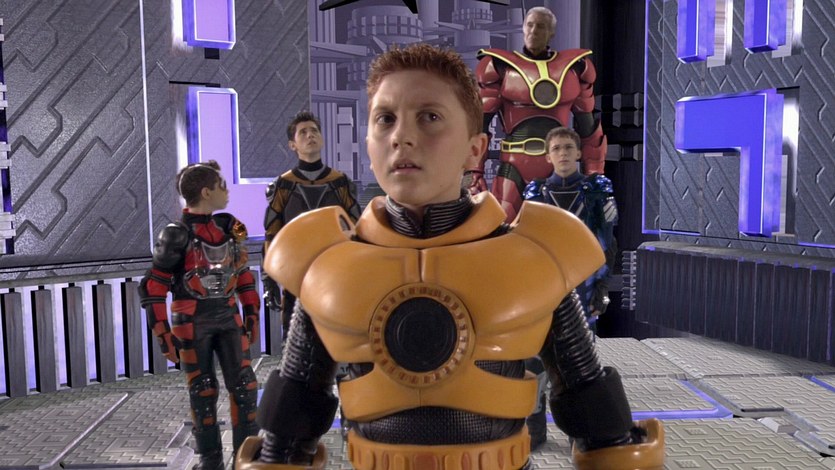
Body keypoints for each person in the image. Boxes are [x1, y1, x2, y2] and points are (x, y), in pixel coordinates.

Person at [238, 43, 662, 470]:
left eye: (429, 117)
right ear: (368, 142)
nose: (401, 137)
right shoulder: (324, 264)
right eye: (385, 119)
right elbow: (287, 433)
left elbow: (596, 415)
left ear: (475, 149)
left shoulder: (537, 256)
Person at [139, 161, 260, 469]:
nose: (227, 191)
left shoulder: (230, 227)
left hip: (227, 316)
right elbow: (154, 287)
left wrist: (251, 312)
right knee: (202, 390)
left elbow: (243, 273)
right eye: (221, 186)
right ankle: (210, 461)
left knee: (245, 387)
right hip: (192, 320)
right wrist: (163, 334)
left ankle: (246, 460)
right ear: (206, 192)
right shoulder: (175, 235)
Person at [466, 6, 607, 223]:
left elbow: (588, 131)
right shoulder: (499, 67)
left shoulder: (575, 68)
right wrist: (473, 173)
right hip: (514, 164)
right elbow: (479, 129)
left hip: (558, 167)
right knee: (504, 227)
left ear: (551, 32)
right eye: (529, 25)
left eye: (540, 26)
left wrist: (595, 176)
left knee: (557, 231)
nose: (533, 31)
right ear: (523, 28)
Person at [262, 111, 361, 344]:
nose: (310, 136)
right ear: (293, 145)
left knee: (337, 340)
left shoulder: (339, 182)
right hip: (295, 273)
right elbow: (272, 232)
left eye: (314, 131)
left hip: (334, 272)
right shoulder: (284, 185)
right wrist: (269, 279)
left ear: (322, 138)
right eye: (303, 132)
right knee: (295, 343)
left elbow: (356, 229)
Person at [525, 126, 618, 326]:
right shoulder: (536, 191)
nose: (563, 153)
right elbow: (528, 244)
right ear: (548, 157)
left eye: (568, 147)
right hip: (546, 279)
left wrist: (602, 286)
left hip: (585, 277)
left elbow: (607, 242)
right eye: (556, 148)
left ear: (578, 153)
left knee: (582, 340)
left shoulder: (596, 188)